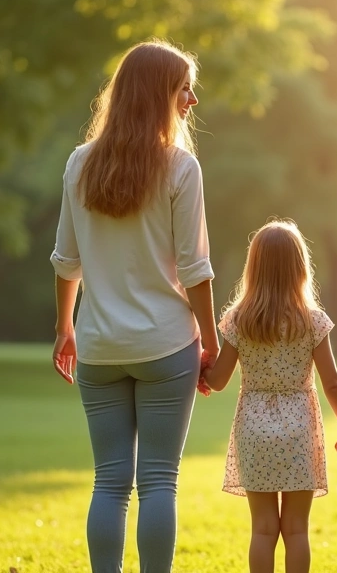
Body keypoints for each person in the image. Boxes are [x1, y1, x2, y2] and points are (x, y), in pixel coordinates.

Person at [50, 39, 218, 573]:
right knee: (159, 481)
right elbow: (195, 269)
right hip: (167, 345)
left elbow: (65, 260)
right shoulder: (180, 168)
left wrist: (64, 328)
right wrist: (211, 342)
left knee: (110, 482)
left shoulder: (80, 164)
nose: (192, 100)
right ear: (158, 94)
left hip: (98, 348)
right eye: (183, 89)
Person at [202, 219, 337, 573]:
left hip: (253, 429)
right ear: (301, 267)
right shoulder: (312, 321)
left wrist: (203, 371)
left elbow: (220, 379)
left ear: (253, 267)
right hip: (300, 427)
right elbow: (332, 383)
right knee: (297, 529)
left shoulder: (238, 320)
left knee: (263, 529)